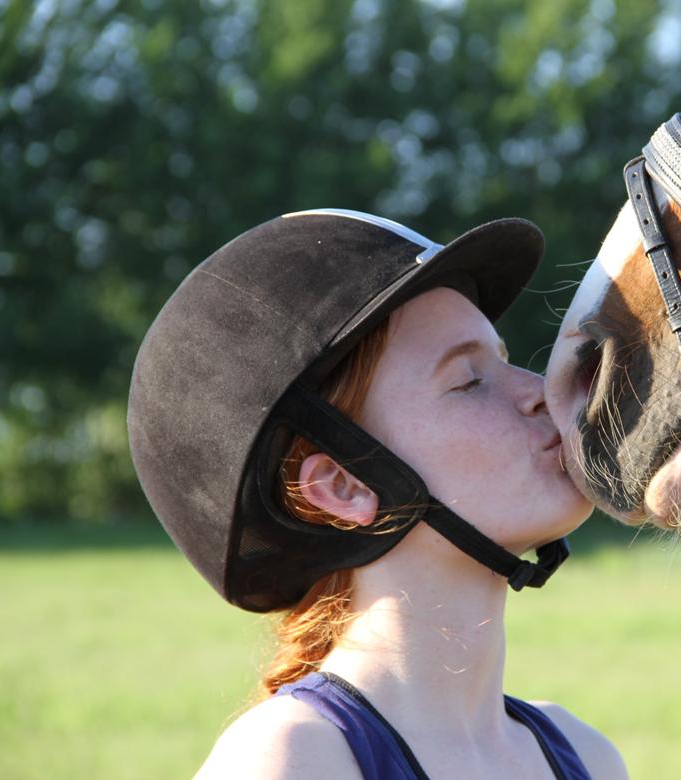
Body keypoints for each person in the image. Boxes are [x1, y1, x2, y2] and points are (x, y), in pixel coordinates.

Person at [127, 208, 627, 779]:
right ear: (343, 486)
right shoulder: (291, 763)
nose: (541, 393)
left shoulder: (583, 753)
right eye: (468, 381)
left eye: (504, 360)